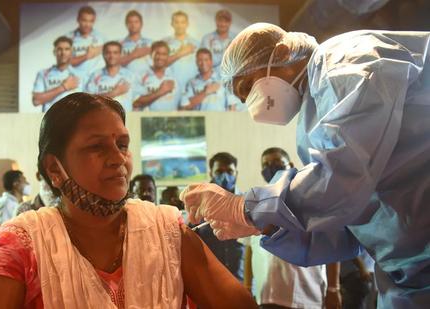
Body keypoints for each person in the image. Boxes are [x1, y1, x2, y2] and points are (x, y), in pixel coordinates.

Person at [180, 23, 430, 307]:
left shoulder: (342, 59)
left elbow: (342, 179)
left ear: (283, 52)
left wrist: (245, 208)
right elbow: (345, 223)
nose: (251, 104)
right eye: (243, 98)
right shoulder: (313, 119)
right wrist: (265, 225)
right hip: (409, 272)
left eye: (248, 87)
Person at [0, 93, 257, 308]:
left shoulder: (166, 231)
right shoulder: (24, 243)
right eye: (96, 147)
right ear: (54, 168)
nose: (118, 159)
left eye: (123, 145)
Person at [247, 148, 341, 309]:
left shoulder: (310, 197)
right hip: (267, 295)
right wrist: (248, 287)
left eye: (277, 162)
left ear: (289, 164)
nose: (271, 167)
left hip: (305, 293)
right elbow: (250, 248)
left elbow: (331, 244)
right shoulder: (256, 201)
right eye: (266, 164)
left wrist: (333, 288)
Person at [194, 153, 244, 282]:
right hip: (208, 282)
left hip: (240, 280)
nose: (225, 176)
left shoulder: (247, 202)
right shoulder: (198, 203)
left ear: (236, 173)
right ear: (211, 173)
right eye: (219, 171)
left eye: (230, 171)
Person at [32, 36, 81, 112]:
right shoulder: (43, 74)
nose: (63, 52)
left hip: (73, 119)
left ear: (72, 52)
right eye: (59, 49)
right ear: (54, 52)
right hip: (50, 119)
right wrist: (64, 87)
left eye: (67, 49)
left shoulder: (80, 74)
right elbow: (36, 101)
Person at [85, 41, 137, 112]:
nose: (111, 56)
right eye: (108, 53)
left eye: (115, 53)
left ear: (121, 54)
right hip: (101, 117)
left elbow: (137, 102)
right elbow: (88, 101)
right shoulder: (95, 75)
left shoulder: (130, 76)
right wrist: (114, 93)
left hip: (124, 119)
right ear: (103, 54)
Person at [133, 41, 180, 111]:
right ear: (151, 54)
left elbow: (180, 105)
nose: (160, 57)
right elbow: (136, 103)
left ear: (168, 56)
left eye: (164, 54)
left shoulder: (174, 77)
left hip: (170, 120)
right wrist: (161, 92)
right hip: (148, 120)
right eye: (157, 53)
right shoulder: (141, 76)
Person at [163, 11, 199, 93]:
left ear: (187, 24)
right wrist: (181, 53)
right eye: (176, 22)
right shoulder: (164, 43)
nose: (179, 26)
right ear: (172, 24)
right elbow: (160, 65)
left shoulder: (196, 44)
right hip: (171, 88)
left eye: (182, 22)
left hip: (191, 89)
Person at [67, 6, 105, 80]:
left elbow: (113, 51)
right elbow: (66, 62)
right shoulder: (68, 38)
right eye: (84, 20)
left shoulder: (101, 37)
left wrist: (100, 49)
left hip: (95, 80)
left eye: (91, 21)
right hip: (75, 80)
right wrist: (86, 56)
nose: (87, 25)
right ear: (78, 20)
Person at [120, 10, 152, 76]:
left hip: (147, 81)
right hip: (127, 80)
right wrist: (134, 55)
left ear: (141, 24)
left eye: (136, 22)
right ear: (126, 24)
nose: (133, 25)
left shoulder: (151, 43)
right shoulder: (120, 44)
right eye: (130, 22)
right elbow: (114, 64)